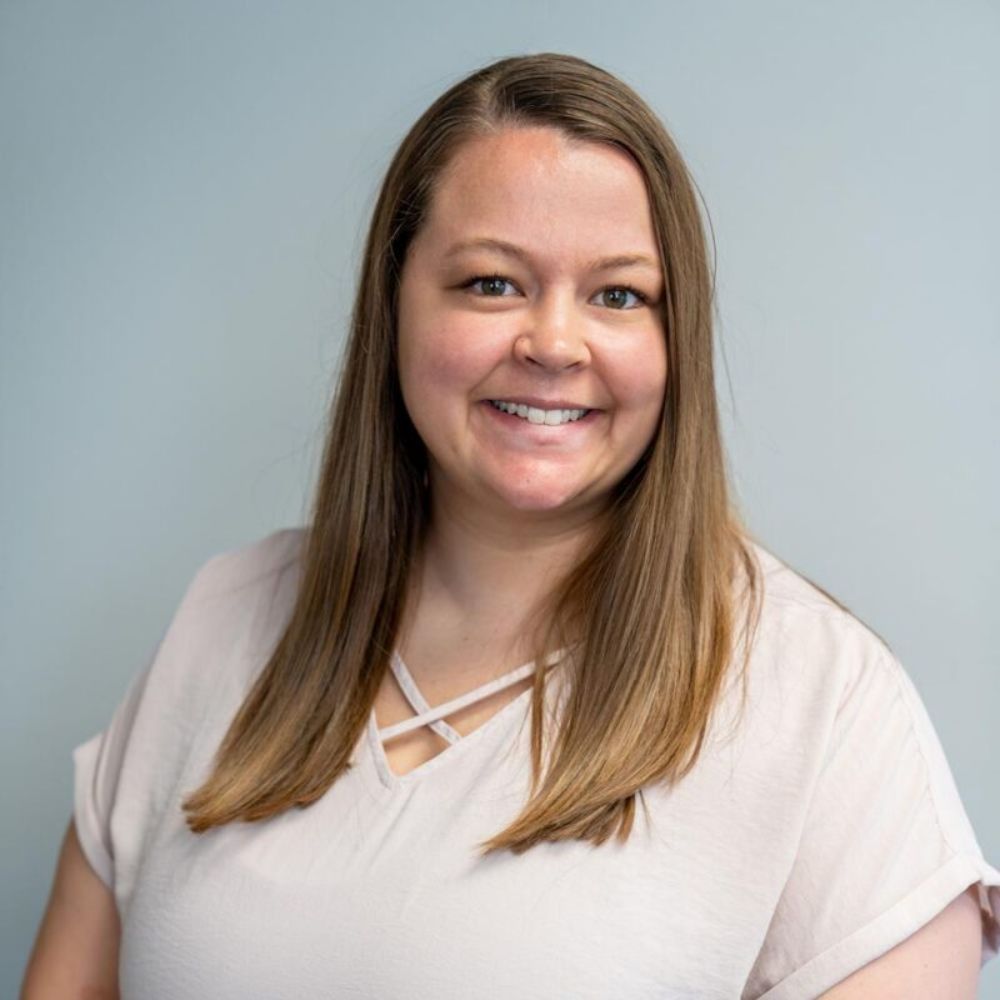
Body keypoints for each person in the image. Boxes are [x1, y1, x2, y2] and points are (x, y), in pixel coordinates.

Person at [22, 52, 999, 999]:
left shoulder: (822, 703)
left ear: (674, 339)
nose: (553, 344)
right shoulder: (225, 618)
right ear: (393, 304)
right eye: (493, 282)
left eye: (618, 295)